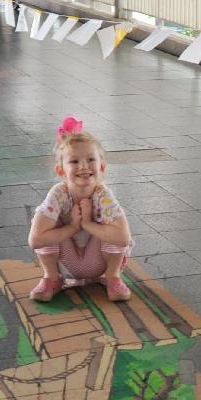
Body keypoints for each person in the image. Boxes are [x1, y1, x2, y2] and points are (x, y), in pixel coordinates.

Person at [28, 116, 133, 303]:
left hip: (99, 259)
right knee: (43, 220)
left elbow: (123, 238)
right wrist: (72, 227)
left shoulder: (103, 195)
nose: (83, 166)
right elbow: (35, 240)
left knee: (113, 225)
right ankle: (52, 278)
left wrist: (88, 223)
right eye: (74, 161)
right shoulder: (59, 194)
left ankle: (112, 277)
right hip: (69, 259)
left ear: (102, 167)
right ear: (61, 171)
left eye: (91, 159)